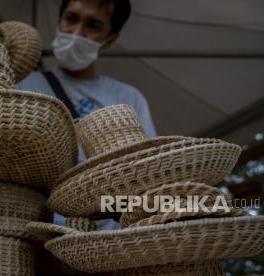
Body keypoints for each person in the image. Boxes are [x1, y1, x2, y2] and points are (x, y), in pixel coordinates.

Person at [15, 0, 157, 229]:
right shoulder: (22, 87)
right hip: (38, 232)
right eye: (71, 18)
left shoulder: (129, 98)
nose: (77, 32)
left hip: (110, 238)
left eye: (93, 25)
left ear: (109, 40)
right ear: (60, 20)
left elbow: (148, 174)